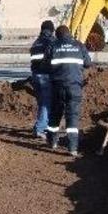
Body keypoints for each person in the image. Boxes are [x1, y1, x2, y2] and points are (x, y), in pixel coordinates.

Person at [44, 25, 92, 157]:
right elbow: (88, 63)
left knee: (55, 114)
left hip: (57, 86)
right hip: (74, 86)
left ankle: (52, 142)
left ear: (57, 35)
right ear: (69, 34)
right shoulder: (79, 45)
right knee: (73, 116)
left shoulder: (53, 46)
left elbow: (45, 65)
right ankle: (72, 148)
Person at [29, 20, 55, 138]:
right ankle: (40, 128)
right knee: (46, 103)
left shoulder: (36, 42)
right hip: (45, 76)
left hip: (35, 76)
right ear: (51, 30)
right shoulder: (50, 42)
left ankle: (39, 126)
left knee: (41, 103)